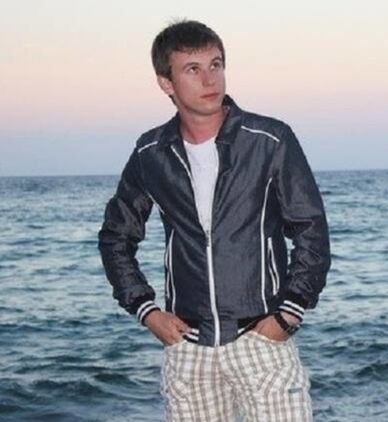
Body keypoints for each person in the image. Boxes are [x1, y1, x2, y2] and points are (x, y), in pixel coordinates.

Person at [98, 19, 330, 421]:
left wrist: (289, 314)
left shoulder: (269, 140)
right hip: (189, 349)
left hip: (261, 341)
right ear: (166, 83)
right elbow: (116, 238)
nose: (210, 79)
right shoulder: (151, 153)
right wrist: (147, 311)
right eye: (193, 69)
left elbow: (311, 230)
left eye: (216, 64)